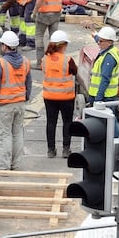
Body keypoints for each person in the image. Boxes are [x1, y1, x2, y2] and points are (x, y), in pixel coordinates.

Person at [0, 31, 31, 171]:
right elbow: (28, 84)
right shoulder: (25, 61)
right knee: (17, 134)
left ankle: (3, 166)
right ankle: (16, 164)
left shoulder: (1, 63)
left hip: (4, 105)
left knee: (4, 135)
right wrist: (25, 98)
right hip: (20, 103)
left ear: (5, 46)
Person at [41, 30, 77, 158]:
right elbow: (74, 72)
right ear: (64, 45)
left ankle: (51, 150)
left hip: (49, 96)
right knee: (67, 122)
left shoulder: (45, 59)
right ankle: (66, 149)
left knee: (51, 123)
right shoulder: (68, 60)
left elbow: (44, 70)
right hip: (66, 97)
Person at [87, 26, 119, 106]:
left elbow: (105, 79)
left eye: (101, 41)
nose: (98, 42)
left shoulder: (109, 58)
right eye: (98, 40)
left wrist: (98, 99)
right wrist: (94, 33)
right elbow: (99, 39)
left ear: (109, 42)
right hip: (100, 95)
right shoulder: (108, 49)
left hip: (104, 97)